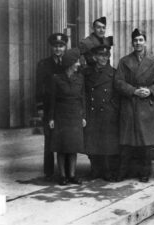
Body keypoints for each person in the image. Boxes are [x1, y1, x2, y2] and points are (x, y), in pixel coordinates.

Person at [114, 28, 154, 183]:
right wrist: (134, 91)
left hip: (147, 105)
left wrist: (150, 91)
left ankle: (144, 172)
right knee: (127, 141)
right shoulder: (124, 61)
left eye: (141, 40)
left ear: (145, 42)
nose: (138, 43)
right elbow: (118, 82)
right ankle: (123, 172)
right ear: (132, 43)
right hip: (130, 103)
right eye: (135, 40)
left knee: (145, 142)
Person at [49, 48, 86, 185]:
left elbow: (83, 98)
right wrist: (51, 118)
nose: (78, 64)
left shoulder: (80, 78)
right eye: (76, 62)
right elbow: (52, 99)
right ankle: (62, 176)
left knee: (73, 147)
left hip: (75, 115)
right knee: (61, 147)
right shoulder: (56, 78)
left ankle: (72, 175)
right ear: (70, 63)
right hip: (61, 115)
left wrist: (84, 116)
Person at [83, 45, 120, 182]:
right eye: (100, 55)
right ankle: (94, 169)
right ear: (94, 57)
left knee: (107, 143)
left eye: (106, 56)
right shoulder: (87, 73)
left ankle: (107, 170)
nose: (103, 58)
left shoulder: (113, 73)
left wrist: (113, 108)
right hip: (92, 112)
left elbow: (118, 93)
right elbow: (85, 93)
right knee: (92, 142)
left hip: (108, 113)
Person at [36, 33, 68, 180]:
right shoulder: (43, 64)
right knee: (49, 138)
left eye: (61, 46)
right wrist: (40, 108)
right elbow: (38, 87)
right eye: (55, 46)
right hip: (49, 106)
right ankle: (48, 171)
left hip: (64, 107)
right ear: (51, 47)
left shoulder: (68, 63)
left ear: (65, 47)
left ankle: (66, 170)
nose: (58, 49)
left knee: (64, 138)